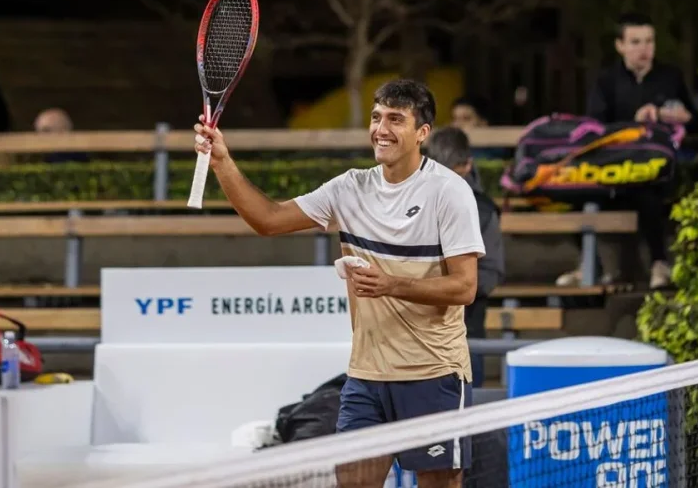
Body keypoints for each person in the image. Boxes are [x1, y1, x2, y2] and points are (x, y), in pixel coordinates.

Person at [194, 79, 485, 488]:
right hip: (366, 379)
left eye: (396, 119)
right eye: (377, 116)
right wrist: (223, 161)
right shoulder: (350, 188)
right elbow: (269, 220)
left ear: (422, 133)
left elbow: (464, 288)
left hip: (432, 375)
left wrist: (390, 284)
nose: (381, 129)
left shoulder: (449, 192)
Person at [557, 12, 698, 290]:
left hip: (655, 168)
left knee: (647, 193)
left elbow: (696, 122)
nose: (644, 49)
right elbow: (595, 127)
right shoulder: (607, 81)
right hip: (615, 167)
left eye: (649, 41)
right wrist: (631, 125)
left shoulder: (669, 77)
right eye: (635, 42)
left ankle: (659, 264)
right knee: (574, 193)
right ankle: (589, 265)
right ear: (620, 45)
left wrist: (670, 115)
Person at [426, 127, 505, 389]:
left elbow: (489, 273)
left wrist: (450, 286)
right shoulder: (413, 200)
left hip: (465, 328)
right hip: (420, 330)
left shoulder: (482, 210)